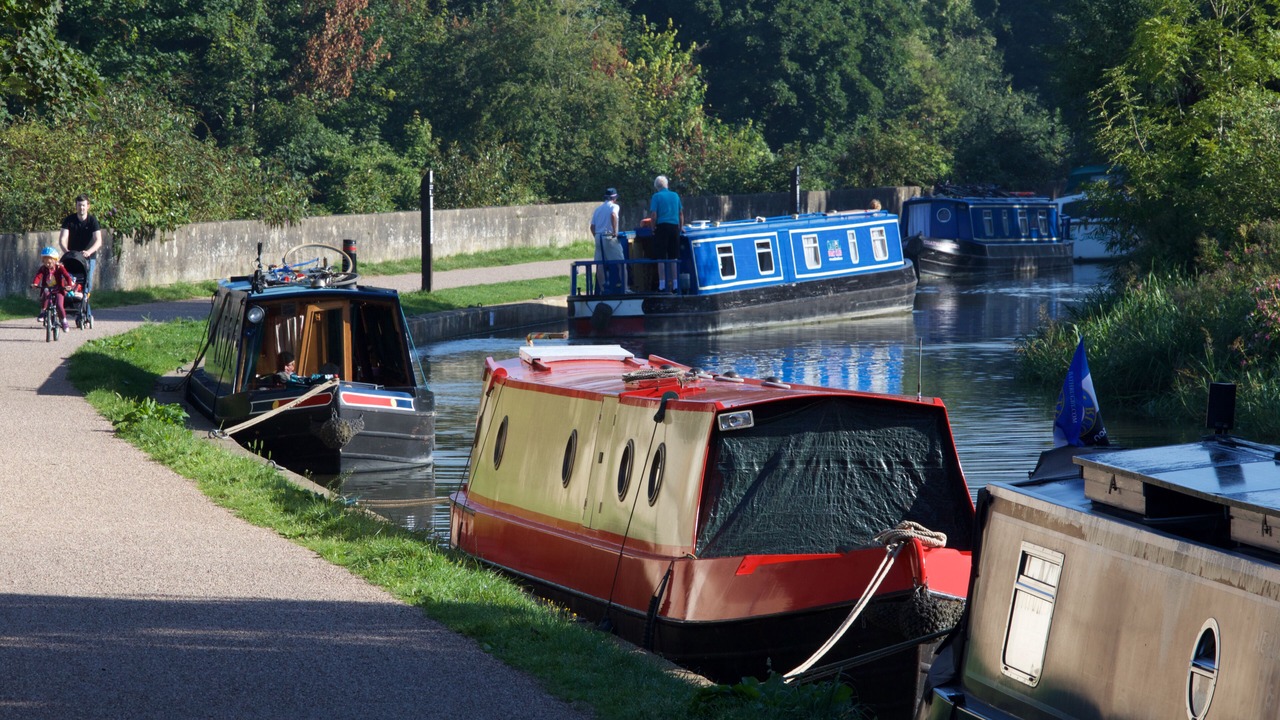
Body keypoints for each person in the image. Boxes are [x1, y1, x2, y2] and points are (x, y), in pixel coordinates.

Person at [58, 194, 103, 298]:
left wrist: (88, 252)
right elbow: (62, 239)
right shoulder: (69, 220)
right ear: (76, 206)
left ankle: (86, 309)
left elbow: (98, 240)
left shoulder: (92, 221)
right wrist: (67, 251)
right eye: (79, 205)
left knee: (87, 283)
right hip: (72, 257)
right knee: (69, 280)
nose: (81, 208)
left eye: (83, 205)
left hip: (88, 258)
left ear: (88, 206)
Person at [646, 175, 684, 292]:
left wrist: (653, 228)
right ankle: (675, 284)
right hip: (674, 228)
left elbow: (653, 215)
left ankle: (662, 285)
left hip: (662, 228)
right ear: (666, 184)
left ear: (656, 186)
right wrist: (681, 228)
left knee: (661, 257)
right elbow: (681, 213)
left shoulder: (656, 196)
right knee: (673, 256)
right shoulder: (675, 195)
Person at [589, 187, 625, 293]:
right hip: (609, 236)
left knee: (600, 264)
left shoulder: (598, 209)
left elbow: (592, 226)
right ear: (614, 198)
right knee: (621, 263)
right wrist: (615, 232)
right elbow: (613, 215)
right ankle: (625, 288)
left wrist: (596, 236)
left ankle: (602, 289)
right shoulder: (614, 206)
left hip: (598, 236)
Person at [31, 246, 75, 330]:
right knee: (46, 293)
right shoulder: (43, 268)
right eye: (45, 262)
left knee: (59, 305)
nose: (47, 265)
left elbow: (67, 276)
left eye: (49, 263)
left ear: (55, 261)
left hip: (59, 289)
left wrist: (69, 285)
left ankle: (64, 321)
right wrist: (35, 283)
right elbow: (38, 276)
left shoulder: (59, 268)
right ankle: (43, 312)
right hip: (48, 288)